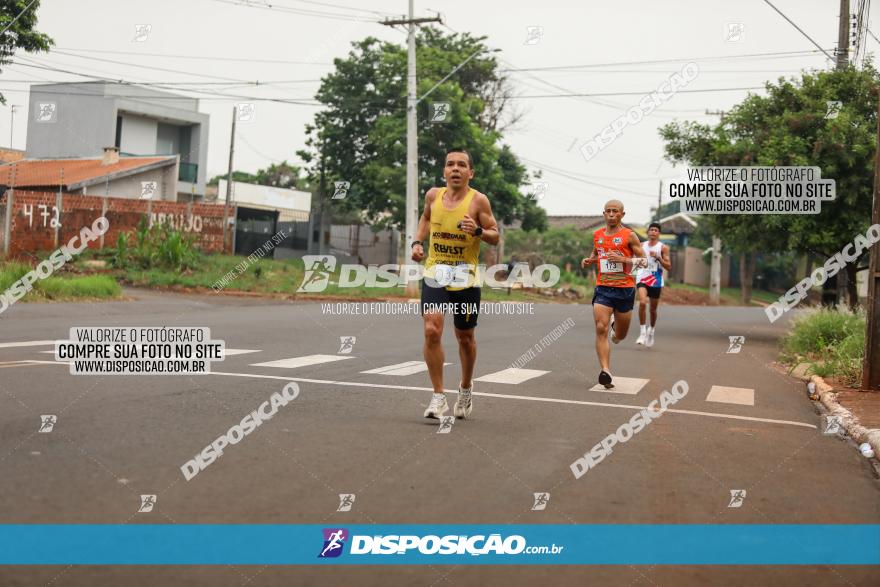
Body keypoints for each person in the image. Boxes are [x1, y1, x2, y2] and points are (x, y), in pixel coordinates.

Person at [411, 149, 499, 419]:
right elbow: (426, 217)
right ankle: (438, 397)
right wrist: (417, 241)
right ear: (444, 171)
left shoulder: (479, 201)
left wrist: (477, 231)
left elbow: (495, 236)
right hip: (436, 271)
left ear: (470, 172)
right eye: (450, 164)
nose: (456, 169)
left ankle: (465, 387)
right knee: (431, 330)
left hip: (465, 277)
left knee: (465, 337)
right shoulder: (433, 196)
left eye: (462, 165)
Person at [581, 200, 646, 389]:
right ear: (603, 214)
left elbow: (644, 262)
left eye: (615, 211)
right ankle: (606, 371)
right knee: (601, 328)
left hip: (625, 289)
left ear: (622, 215)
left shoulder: (629, 236)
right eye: (608, 211)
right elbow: (597, 255)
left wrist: (623, 259)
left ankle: (616, 331)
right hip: (603, 288)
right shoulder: (597, 235)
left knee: (620, 335)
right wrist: (589, 260)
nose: (611, 214)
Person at [635, 222, 671, 347]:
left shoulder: (663, 248)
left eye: (656, 230)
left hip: (656, 280)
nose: (653, 232)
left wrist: (659, 258)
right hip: (642, 277)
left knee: (653, 310)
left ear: (659, 233)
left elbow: (668, 266)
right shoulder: (641, 245)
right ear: (648, 232)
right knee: (643, 302)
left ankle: (652, 330)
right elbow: (635, 261)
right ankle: (642, 332)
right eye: (651, 230)